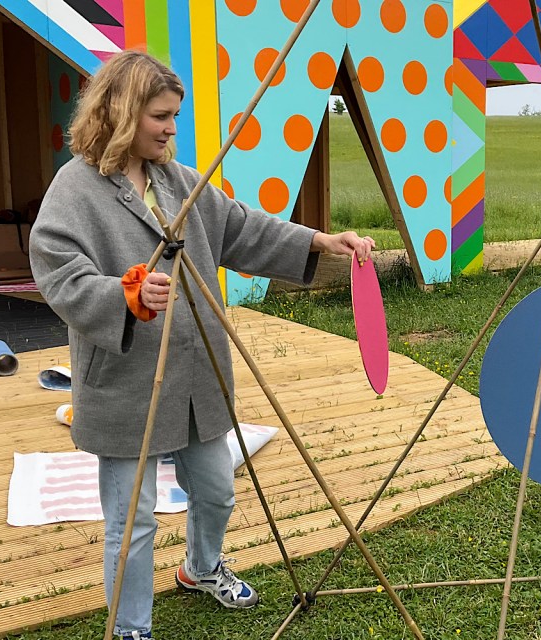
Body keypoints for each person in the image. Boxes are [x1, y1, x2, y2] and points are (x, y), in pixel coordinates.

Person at [29, 50, 375, 640]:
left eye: (174, 117)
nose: (171, 128)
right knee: (131, 523)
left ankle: (200, 567)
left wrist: (320, 240)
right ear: (121, 111)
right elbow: (58, 269)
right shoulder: (77, 187)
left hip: (195, 373)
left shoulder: (177, 181)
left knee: (216, 490)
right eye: (160, 116)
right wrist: (125, 296)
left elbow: (242, 228)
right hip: (125, 381)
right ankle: (131, 627)